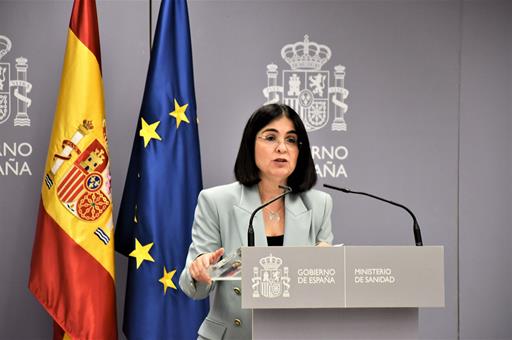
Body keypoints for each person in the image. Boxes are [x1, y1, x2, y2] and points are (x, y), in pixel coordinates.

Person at [179, 103, 334, 340]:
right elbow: (194, 289)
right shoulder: (216, 201)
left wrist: (327, 268)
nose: (282, 147)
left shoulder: (319, 204)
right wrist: (199, 269)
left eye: (291, 140)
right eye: (271, 137)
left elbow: (322, 289)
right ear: (250, 144)